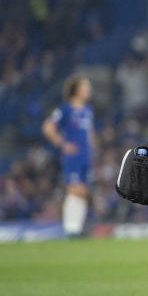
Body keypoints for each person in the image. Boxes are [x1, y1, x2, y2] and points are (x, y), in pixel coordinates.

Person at [42, 74, 94, 238]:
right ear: (76, 89)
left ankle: (77, 228)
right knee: (74, 189)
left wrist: (92, 150)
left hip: (85, 155)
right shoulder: (65, 108)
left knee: (83, 191)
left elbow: (89, 133)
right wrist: (63, 144)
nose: (88, 90)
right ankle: (71, 228)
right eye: (85, 87)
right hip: (73, 155)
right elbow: (48, 127)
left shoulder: (87, 110)